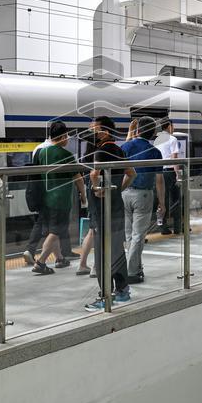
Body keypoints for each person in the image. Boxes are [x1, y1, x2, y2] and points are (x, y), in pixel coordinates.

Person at [84, 116, 136, 312]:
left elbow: (94, 174)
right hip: (115, 206)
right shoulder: (118, 149)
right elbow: (132, 174)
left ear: (104, 131)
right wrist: (116, 190)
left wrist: (97, 189)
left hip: (100, 209)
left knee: (100, 253)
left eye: (93, 129)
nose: (90, 133)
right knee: (115, 249)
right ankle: (122, 291)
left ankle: (104, 295)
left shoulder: (101, 150)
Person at [26, 121, 86, 275]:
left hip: (44, 199)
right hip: (60, 200)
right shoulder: (66, 155)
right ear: (64, 136)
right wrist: (84, 196)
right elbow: (78, 178)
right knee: (56, 231)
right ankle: (41, 262)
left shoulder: (41, 152)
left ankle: (59, 258)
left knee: (51, 230)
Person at [119, 116, 165, 284]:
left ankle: (136, 268)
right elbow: (159, 180)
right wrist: (162, 202)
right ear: (153, 133)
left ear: (137, 131)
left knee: (129, 235)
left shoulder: (126, 147)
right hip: (143, 195)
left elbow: (122, 163)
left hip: (124, 193)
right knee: (138, 235)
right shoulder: (155, 152)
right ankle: (131, 272)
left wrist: (130, 133)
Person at [154, 119, 182, 235]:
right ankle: (177, 226)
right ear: (169, 126)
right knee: (176, 199)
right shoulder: (172, 138)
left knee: (162, 200)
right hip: (170, 171)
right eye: (173, 125)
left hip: (160, 172)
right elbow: (174, 157)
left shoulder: (157, 140)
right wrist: (178, 174)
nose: (173, 127)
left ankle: (163, 227)